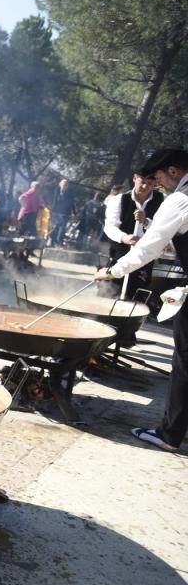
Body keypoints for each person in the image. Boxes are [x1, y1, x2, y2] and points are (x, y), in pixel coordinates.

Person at [94, 148, 188, 452]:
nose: (159, 184)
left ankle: (169, 435)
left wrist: (112, 272)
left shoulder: (179, 199)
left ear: (173, 171)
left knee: (184, 361)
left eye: (159, 178)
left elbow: (148, 249)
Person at [102, 172, 163, 299]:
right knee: (112, 287)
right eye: (143, 182)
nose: (145, 186)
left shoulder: (162, 201)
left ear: (155, 183)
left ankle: (131, 314)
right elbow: (110, 226)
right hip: (121, 251)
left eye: (150, 183)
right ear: (135, 179)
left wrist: (146, 221)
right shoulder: (119, 200)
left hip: (145, 254)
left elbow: (162, 227)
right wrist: (124, 238)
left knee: (138, 290)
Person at [50, 178, 75, 246]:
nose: (65, 186)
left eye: (66, 184)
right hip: (57, 212)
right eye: (63, 184)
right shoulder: (57, 191)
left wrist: (74, 212)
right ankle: (56, 241)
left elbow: (72, 203)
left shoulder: (69, 193)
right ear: (60, 184)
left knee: (62, 226)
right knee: (58, 226)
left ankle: (57, 240)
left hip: (65, 213)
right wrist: (52, 211)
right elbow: (55, 201)